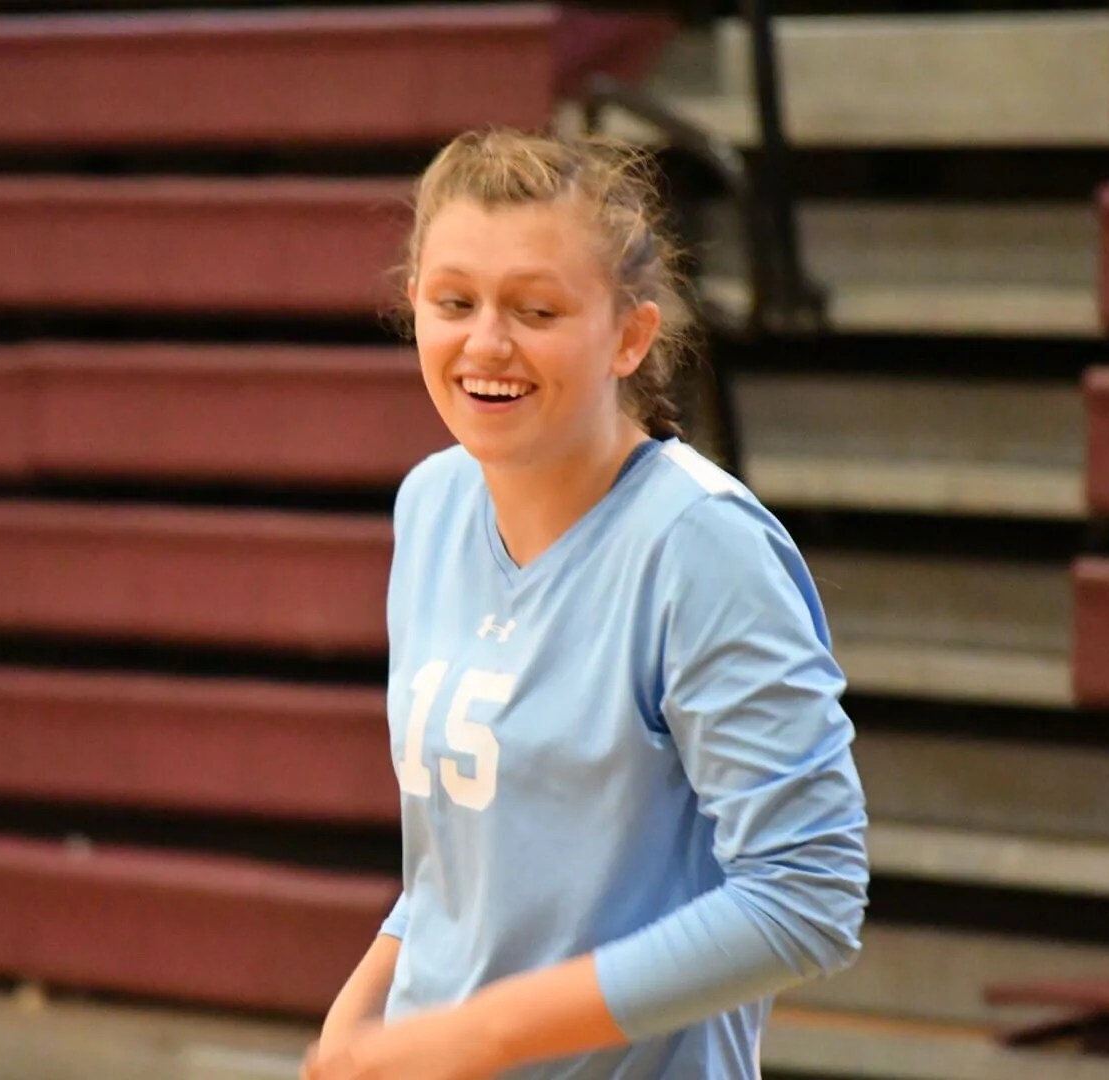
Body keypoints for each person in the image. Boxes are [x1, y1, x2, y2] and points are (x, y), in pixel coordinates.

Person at [302, 128, 869, 1080]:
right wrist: (357, 1022)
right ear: (414, 309)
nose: (487, 342)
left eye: (536, 308)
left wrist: (483, 1034)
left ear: (630, 334)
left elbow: (806, 897)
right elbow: (455, 868)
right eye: (454, 302)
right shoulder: (433, 502)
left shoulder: (701, 546)